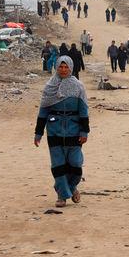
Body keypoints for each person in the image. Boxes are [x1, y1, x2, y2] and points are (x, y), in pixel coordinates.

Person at [34, 56, 89, 208]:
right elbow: (43, 111)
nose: (63, 70)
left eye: (66, 67)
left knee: (76, 165)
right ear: (56, 68)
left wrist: (84, 131)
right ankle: (62, 196)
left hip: (74, 130)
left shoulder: (78, 86)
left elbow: (84, 110)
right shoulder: (49, 87)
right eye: (60, 67)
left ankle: (71, 188)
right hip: (54, 130)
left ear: (71, 68)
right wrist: (38, 133)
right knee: (58, 165)